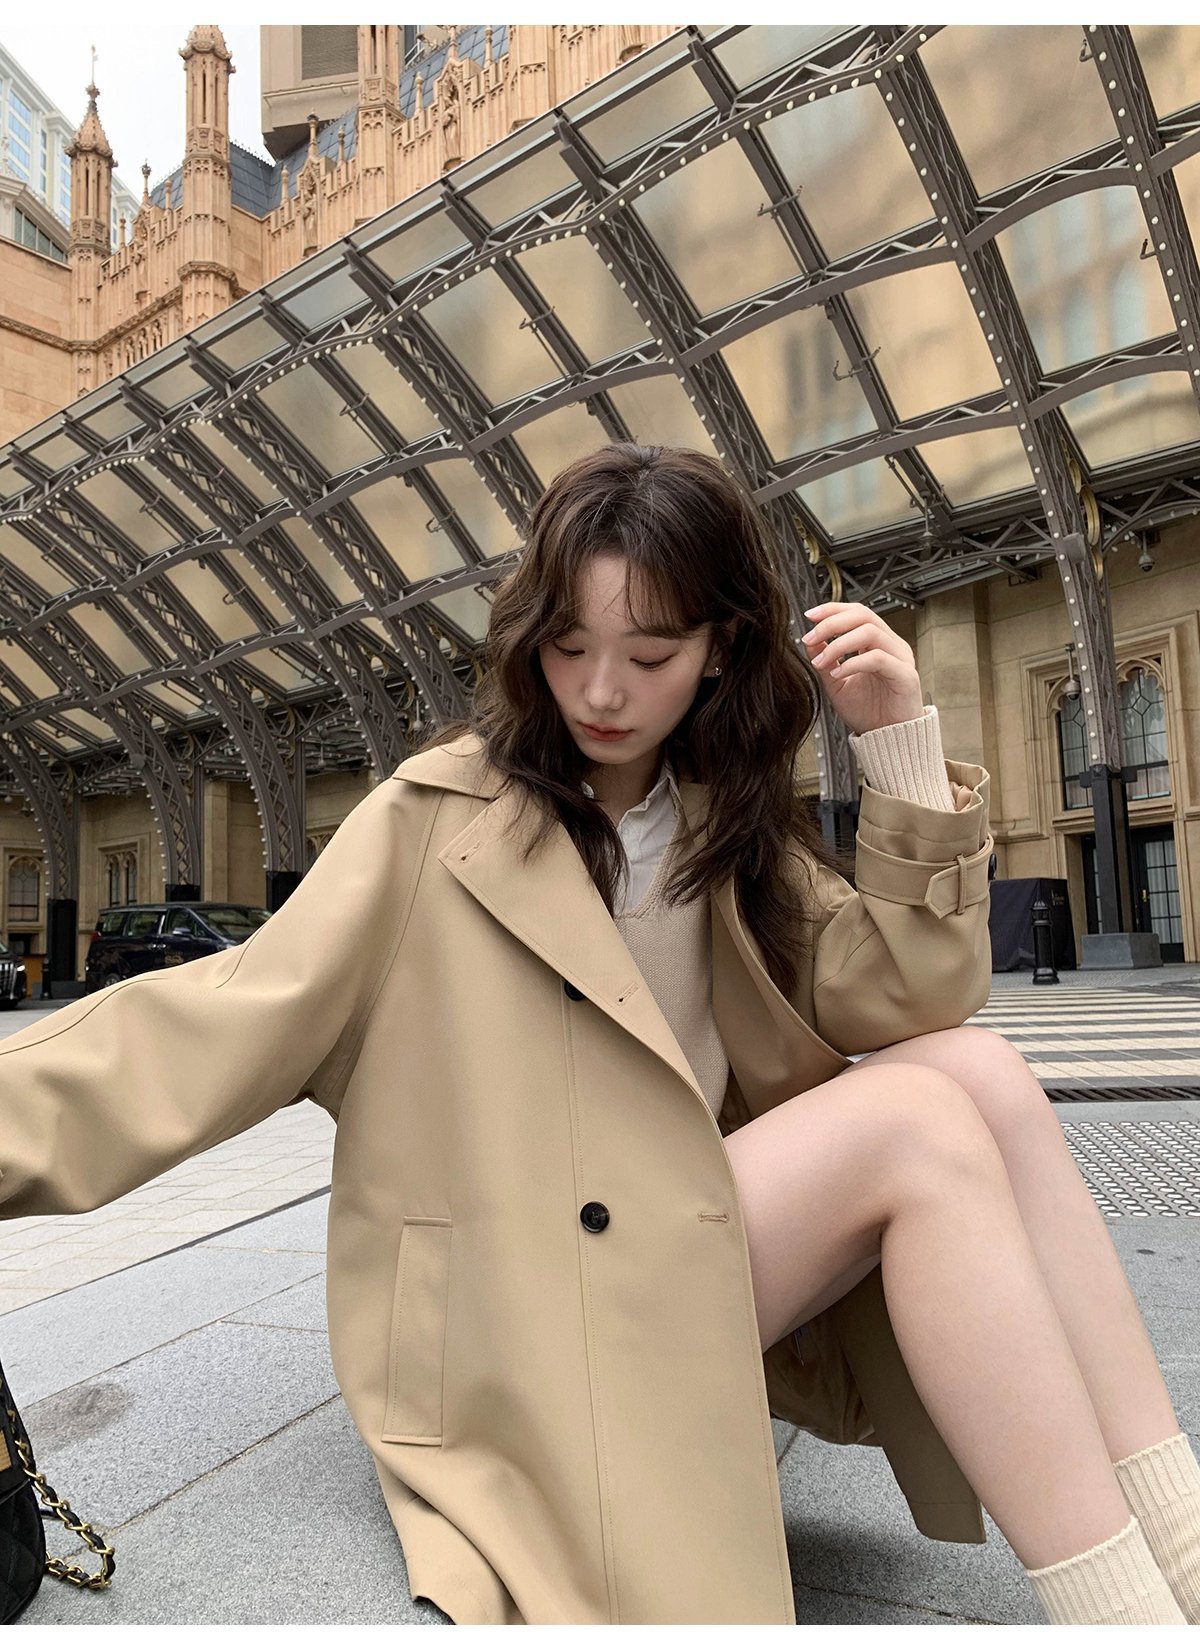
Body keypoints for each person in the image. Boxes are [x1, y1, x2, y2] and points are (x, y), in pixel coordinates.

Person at [0, 440, 1196, 1627]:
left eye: (650, 654)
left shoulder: (723, 825)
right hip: (517, 1311)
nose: (603, 693)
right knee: (918, 1126)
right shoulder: (435, 820)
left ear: (721, 647)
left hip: (663, 1255)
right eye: (570, 647)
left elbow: (915, 994)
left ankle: (1180, 1544)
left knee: (977, 1071)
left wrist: (898, 746)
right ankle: (1124, 1618)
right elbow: (213, 1021)